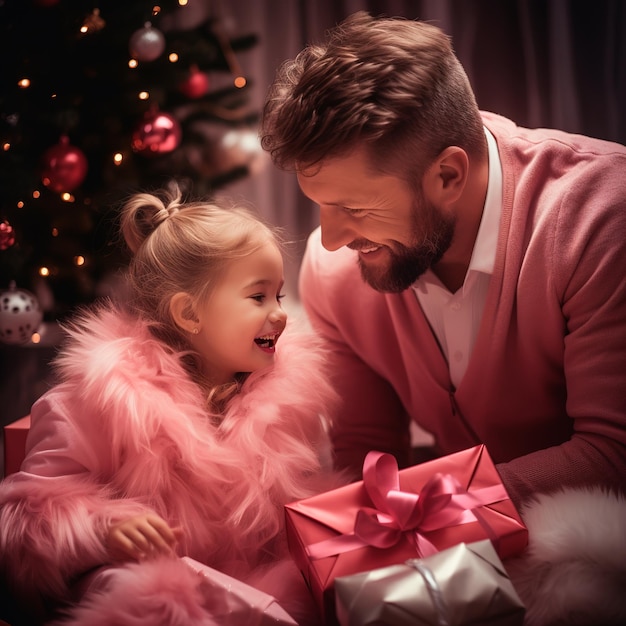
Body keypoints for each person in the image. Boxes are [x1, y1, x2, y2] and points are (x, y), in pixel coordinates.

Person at [260, 12, 626, 510]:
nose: (329, 241)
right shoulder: (337, 275)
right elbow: (365, 454)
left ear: (449, 175)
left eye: (356, 208)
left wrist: (423, 506)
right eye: (321, 203)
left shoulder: (602, 216)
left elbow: (613, 456)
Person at [0, 183, 342, 626]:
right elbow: (26, 515)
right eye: (258, 297)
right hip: (140, 577)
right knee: (140, 595)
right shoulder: (99, 402)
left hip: (249, 587)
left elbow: (297, 508)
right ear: (189, 314)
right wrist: (102, 531)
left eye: (277, 295)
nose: (279, 313)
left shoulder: (284, 402)